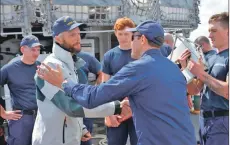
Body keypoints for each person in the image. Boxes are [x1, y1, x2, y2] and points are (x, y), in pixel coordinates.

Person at [37, 20, 197, 145]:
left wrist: (64, 82)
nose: (129, 43)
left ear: (141, 39)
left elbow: (92, 98)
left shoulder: (139, 68)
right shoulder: (173, 68)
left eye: (133, 37)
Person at [32, 16, 131, 145]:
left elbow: (74, 101)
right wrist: (116, 107)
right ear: (57, 38)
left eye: (78, 33)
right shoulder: (50, 67)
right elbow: (72, 106)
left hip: (68, 138)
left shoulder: (71, 64)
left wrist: (81, 128)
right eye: (72, 35)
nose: (78, 38)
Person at [181, 12, 229, 145]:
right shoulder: (211, 58)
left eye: (214, 30)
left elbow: (227, 92)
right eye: (209, 31)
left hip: (223, 121)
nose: (209, 35)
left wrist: (201, 74)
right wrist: (186, 70)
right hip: (205, 120)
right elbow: (194, 90)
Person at [0, 35, 42, 145]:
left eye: (38, 49)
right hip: (21, 120)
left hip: (41, 118)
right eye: (33, 49)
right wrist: (3, 113)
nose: (36, 53)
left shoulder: (41, 68)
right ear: (23, 49)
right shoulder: (9, 69)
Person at [101, 17, 137, 145]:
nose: (123, 37)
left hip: (138, 109)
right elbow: (105, 85)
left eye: (126, 34)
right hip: (116, 109)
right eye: (120, 34)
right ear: (115, 33)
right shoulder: (109, 56)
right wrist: (108, 113)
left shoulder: (141, 54)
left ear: (133, 33)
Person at [76, 51, 102, 145]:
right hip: (66, 103)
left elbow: (101, 73)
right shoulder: (56, 60)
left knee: (86, 138)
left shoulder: (86, 57)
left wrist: (94, 91)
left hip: (84, 103)